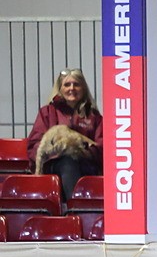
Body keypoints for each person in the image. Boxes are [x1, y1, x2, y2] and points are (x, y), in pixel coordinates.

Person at [26, 68, 103, 200]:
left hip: (86, 163)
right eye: (67, 85)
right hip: (53, 164)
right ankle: (75, 208)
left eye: (76, 84)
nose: (71, 88)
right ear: (60, 89)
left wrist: (85, 152)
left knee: (72, 161)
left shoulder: (93, 115)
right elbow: (34, 144)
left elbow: (102, 144)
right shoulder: (47, 112)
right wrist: (54, 151)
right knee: (68, 162)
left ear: (83, 88)